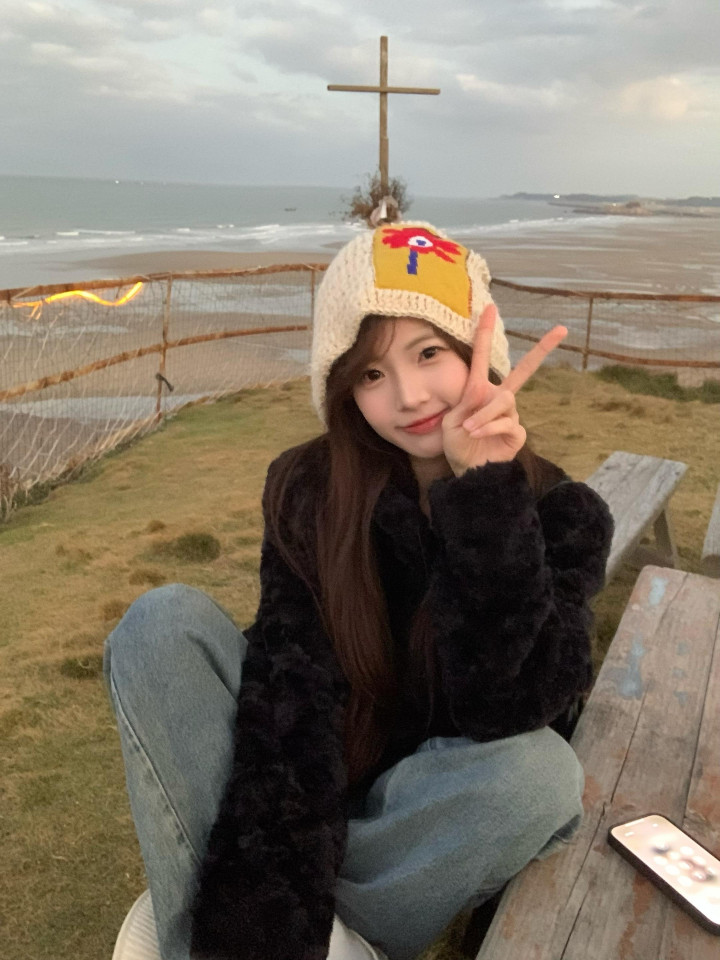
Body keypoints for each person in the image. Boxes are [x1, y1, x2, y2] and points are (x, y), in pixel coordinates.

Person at [104, 221, 613, 960]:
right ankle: (291, 929)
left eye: (429, 353)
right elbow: (291, 692)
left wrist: (487, 498)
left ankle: (250, 914)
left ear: (480, 351)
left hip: (426, 822)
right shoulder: (311, 487)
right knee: (161, 624)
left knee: (540, 777)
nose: (408, 396)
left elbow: (509, 709)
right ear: (345, 390)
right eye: (371, 373)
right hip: (315, 784)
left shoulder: (561, 512)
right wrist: (273, 904)